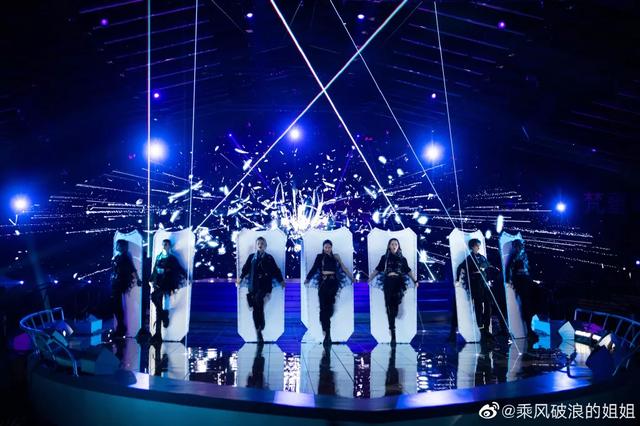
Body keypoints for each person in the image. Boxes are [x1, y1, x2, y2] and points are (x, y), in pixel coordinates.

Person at [304, 240, 354, 346]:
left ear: (331, 248)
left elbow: (343, 267)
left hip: (333, 283)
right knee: (323, 308)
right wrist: (308, 278)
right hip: (323, 283)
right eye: (326, 247)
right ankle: (327, 332)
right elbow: (314, 268)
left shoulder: (335, 257)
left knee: (329, 308)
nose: (327, 249)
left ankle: (326, 329)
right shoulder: (320, 257)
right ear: (323, 248)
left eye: (329, 247)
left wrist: (351, 277)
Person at [369, 238, 418, 345]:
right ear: (389, 246)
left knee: (395, 307)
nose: (394, 246)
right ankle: (393, 332)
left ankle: (393, 321)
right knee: (388, 307)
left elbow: (408, 270)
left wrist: (415, 281)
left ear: (398, 246)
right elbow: (378, 269)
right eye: (392, 244)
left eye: (396, 244)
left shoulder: (402, 259)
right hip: (388, 282)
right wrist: (370, 278)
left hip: (398, 282)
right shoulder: (385, 258)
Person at [237, 237, 285, 343]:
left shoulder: (269, 258)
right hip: (253, 285)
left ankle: (260, 325)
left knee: (258, 300)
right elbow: (245, 269)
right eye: (258, 243)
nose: (260, 245)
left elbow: (276, 270)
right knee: (256, 308)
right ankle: (258, 330)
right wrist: (240, 278)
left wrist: (281, 281)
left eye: (262, 243)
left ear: (265, 246)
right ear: (256, 245)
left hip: (264, 286)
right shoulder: (252, 257)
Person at [456, 238, 497, 342]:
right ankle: (482, 329)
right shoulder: (469, 258)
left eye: (479, 245)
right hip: (475, 284)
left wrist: (483, 266)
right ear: (472, 247)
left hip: (484, 283)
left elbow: (488, 263)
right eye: (476, 246)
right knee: (478, 306)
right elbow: (460, 267)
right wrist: (457, 279)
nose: (478, 247)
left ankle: (486, 327)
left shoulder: (481, 257)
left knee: (488, 304)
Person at [150, 239, 187, 344]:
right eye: (163, 244)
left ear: (169, 246)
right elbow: (155, 269)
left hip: (166, 284)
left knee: (155, 298)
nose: (164, 246)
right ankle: (160, 327)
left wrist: (187, 276)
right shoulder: (159, 256)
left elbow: (178, 268)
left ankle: (161, 322)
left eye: (166, 244)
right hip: (158, 282)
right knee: (157, 306)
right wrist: (151, 279)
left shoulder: (172, 258)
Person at [506, 239, 538, 341]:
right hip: (520, 282)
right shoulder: (514, 256)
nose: (519, 248)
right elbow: (509, 268)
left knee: (530, 304)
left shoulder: (524, 255)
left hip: (527, 281)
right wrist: (509, 280)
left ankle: (530, 328)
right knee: (526, 305)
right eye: (517, 246)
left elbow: (528, 267)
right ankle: (529, 329)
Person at [110, 239, 139, 337]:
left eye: (118, 245)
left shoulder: (125, 257)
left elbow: (132, 269)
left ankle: (121, 327)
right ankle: (120, 327)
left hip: (120, 283)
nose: (116, 246)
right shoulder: (117, 257)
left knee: (117, 306)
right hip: (115, 282)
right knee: (116, 305)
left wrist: (138, 279)